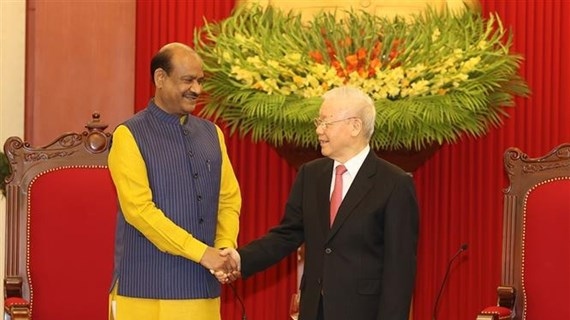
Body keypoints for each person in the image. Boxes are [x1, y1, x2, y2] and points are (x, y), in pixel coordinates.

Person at [221, 86, 419, 320]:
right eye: (319, 122)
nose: (318, 130)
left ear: (355, 126)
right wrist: (241, 258)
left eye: (326, 123)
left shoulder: (394, 183)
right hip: (314, 310)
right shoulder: (311, 175)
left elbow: (400, 270)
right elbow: (287, 235)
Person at [107, 42, 241, 320]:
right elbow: (139, 212)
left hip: (202, 287)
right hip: (145, 290)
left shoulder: (212, 134)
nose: (197, 89)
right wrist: (203, 253)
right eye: (188, 80)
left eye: (200, 81)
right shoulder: (129, 135)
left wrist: (225, 247)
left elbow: (228, 198)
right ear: (160, 78)